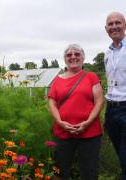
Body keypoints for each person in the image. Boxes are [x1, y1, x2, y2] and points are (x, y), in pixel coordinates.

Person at [48, 44, 103, 180]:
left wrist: (88, 122)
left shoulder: (91, 76)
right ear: (65, 59)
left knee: (89, 171)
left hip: (90, 132)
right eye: (69, 55)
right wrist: (60, 122)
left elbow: (99, 101)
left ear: (83, 58)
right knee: (60, 170)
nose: (73, 57)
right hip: (62, 132)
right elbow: (52, 104)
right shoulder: (57, 80)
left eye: (77, 54)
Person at [104, 12, 126, 180]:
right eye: (110, 24)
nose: (114, 26)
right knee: (120, 155)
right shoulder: (107, 54)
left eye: (117, 22)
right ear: (106, 29)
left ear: (125, 25)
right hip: (111, 109)